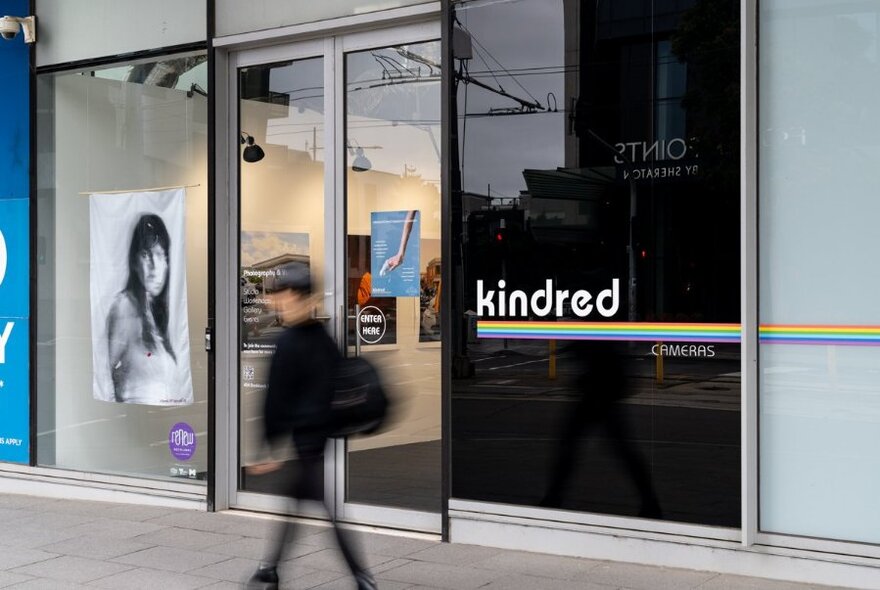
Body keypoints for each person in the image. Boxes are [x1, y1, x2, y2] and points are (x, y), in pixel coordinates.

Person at [247, 261, 377, 590]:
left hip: (307, 440)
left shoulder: (289, 342)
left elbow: (275, 400)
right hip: (314, 438)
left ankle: (362, 578)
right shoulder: (322, 338)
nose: (275, 301)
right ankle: (270, 570)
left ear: (294, 295)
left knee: (323, 514)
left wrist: (269, 445)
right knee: (295, 504)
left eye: (280, 294)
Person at [105, 213, 181, 405]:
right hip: (135, 420)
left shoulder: (155, 314)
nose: (155, 267)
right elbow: (105, 373)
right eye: (146, 255)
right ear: (134, 262)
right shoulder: (124, 307)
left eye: (160, 255)